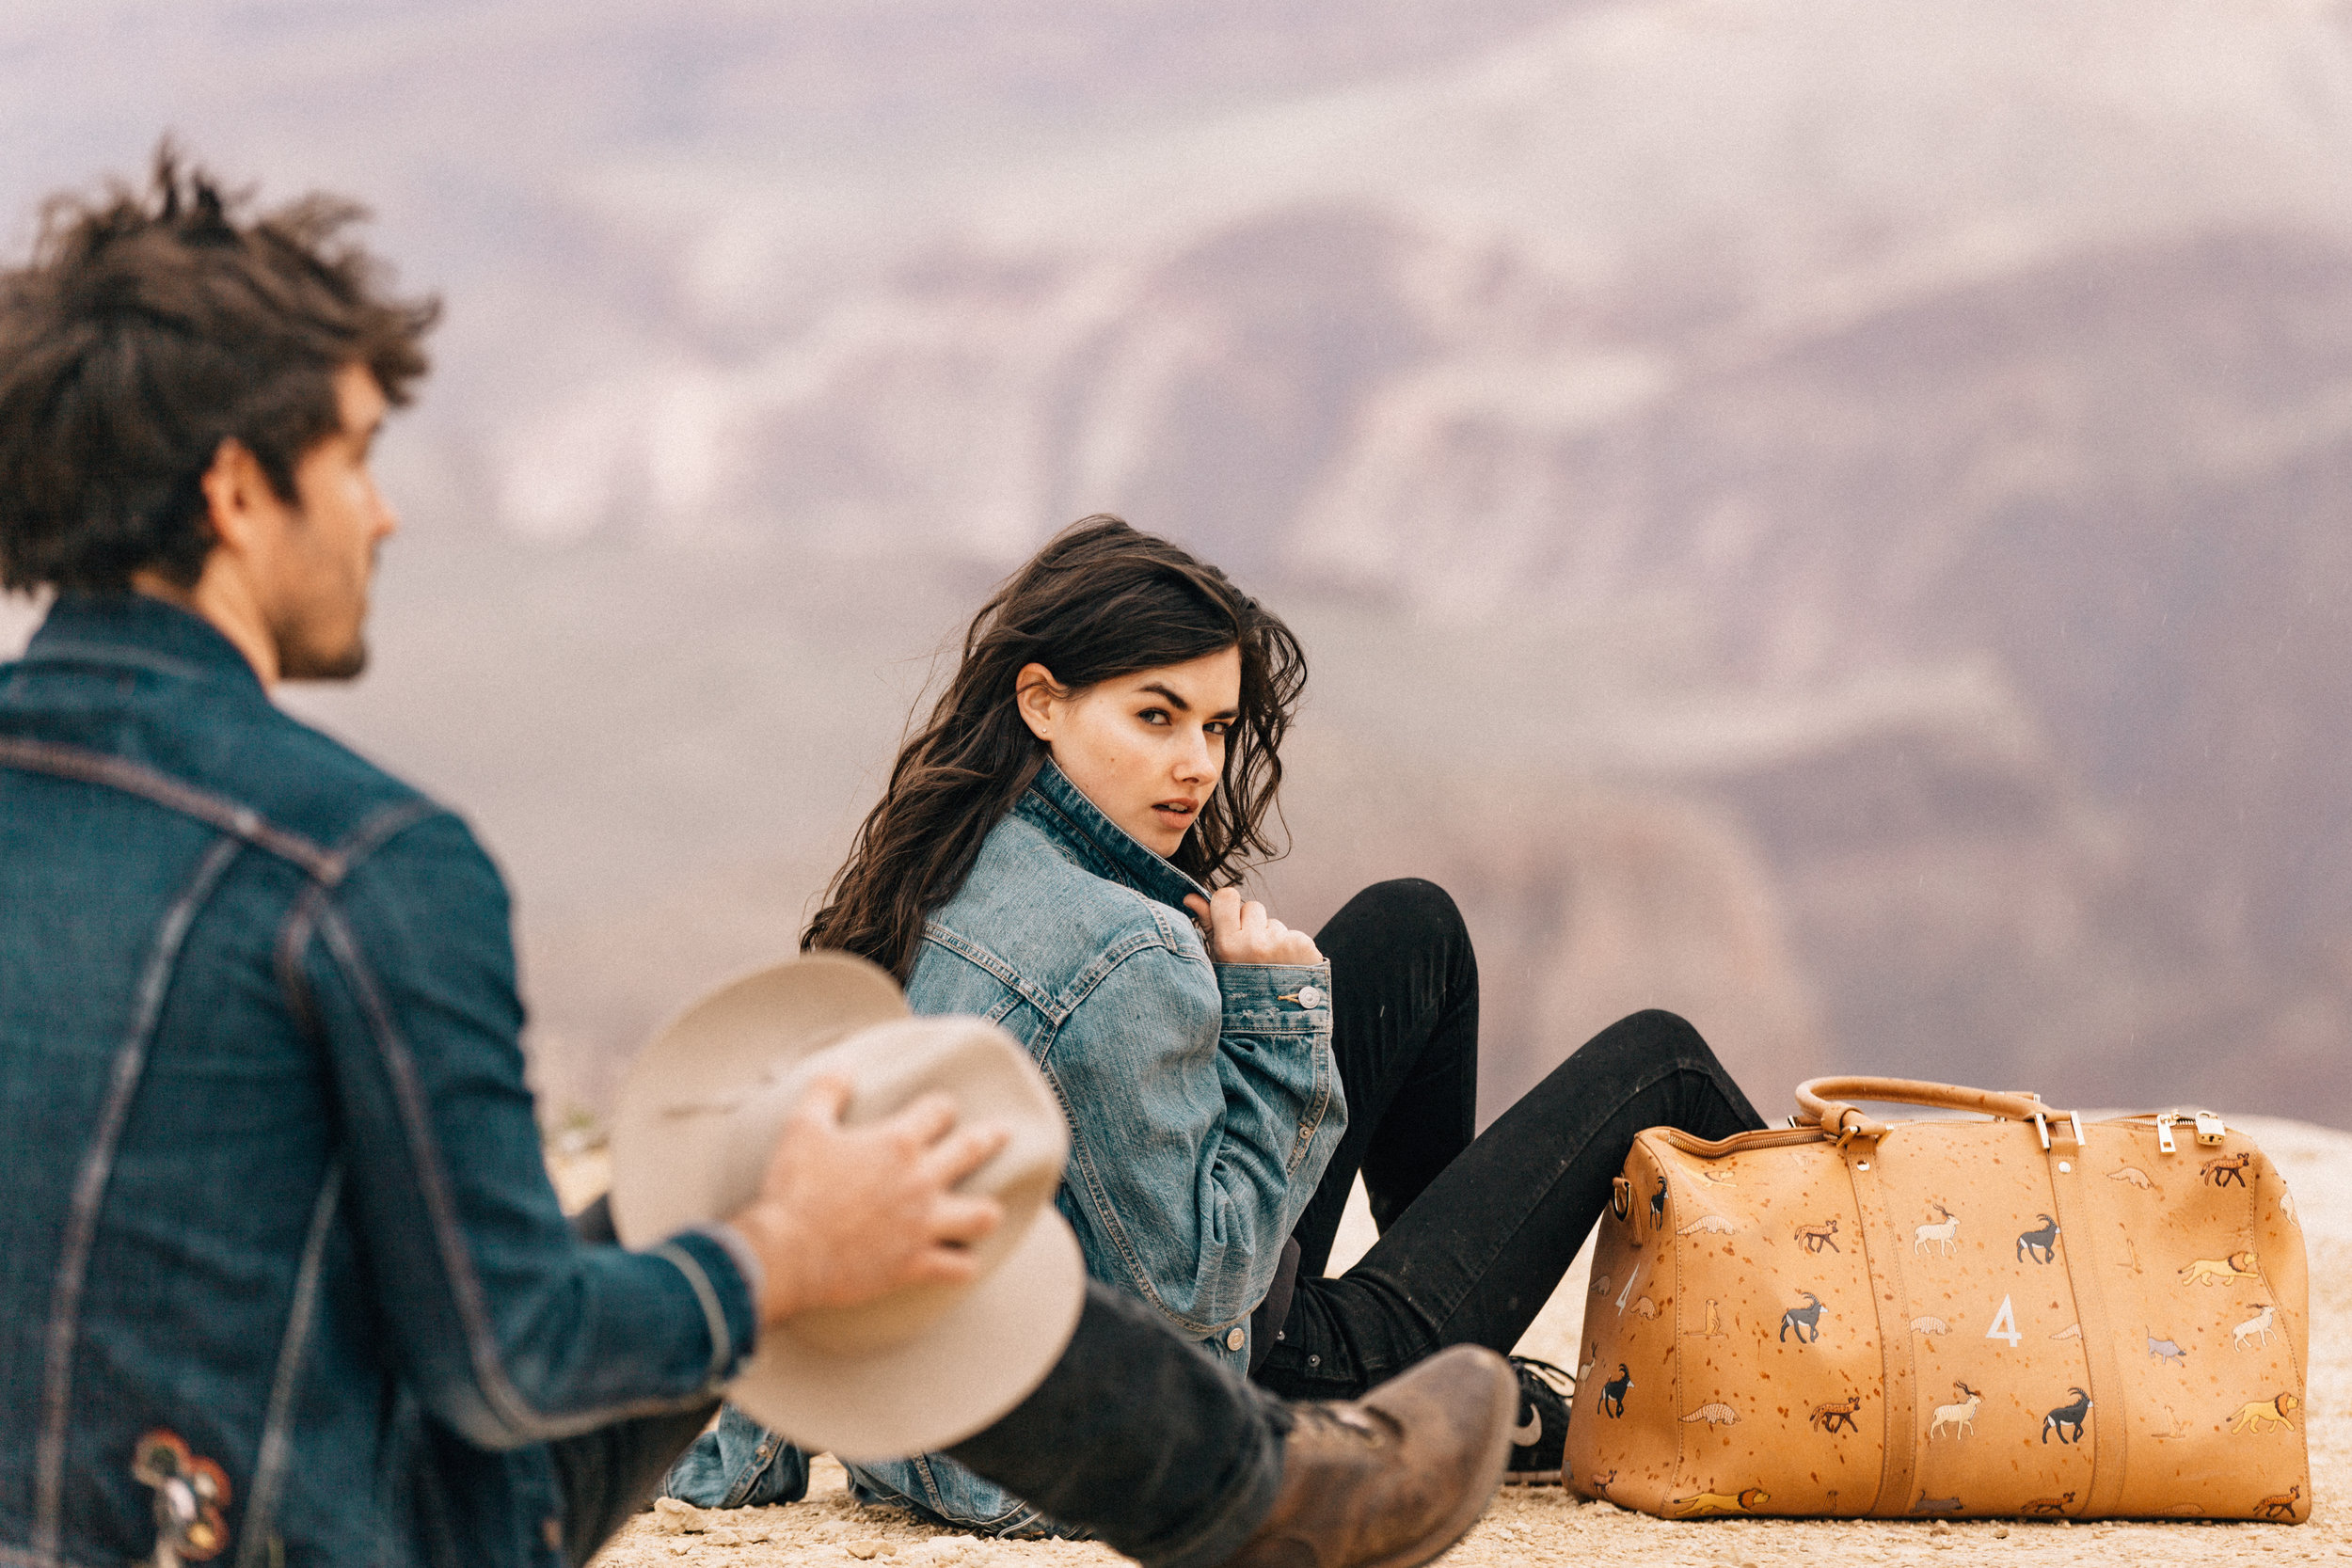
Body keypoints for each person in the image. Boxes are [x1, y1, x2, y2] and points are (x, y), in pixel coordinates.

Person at [0, 151, 1520, 1568]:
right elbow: (512, 1354)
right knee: (837, 1167)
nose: (386, 511)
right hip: (339, 1524)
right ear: (236, 491)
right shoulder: (365, 865)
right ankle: (1277, 1501)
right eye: (352, 457)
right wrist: (778, 1253)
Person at [686, 517, 1767, 1531]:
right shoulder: (1124, 949)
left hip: (943, 1420)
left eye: (1215, 725)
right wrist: (1272, 1022)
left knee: (1411, 926)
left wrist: (746, 1451)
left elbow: (805, 1173)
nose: (1197, 764)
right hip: (1165, 1403)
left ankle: (1458, 1359)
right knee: (1657, 1056)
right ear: (1042, 699)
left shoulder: (936, 867)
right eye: (1154, 717)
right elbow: (1201, 1295)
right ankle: (1835, 1373)